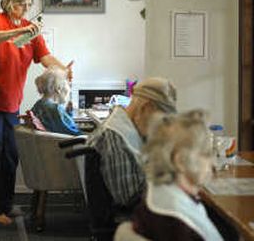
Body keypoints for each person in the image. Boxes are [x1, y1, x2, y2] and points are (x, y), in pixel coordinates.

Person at [0, 0, 72, 226]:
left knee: (11, 155)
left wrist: (63, 69)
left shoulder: (30, 29)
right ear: (9, 3)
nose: (25, 10)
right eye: (21, 5)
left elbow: (44, 57)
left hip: (11, 101)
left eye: (28, 5)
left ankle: (6, 204)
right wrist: (17, 32)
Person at [85, 77, 177, 240]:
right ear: (147, 108)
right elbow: (128, 197)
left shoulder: (128, 126)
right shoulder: (115, 136)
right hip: (128, 220)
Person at [127, 109, 224, 241]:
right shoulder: (177, 223)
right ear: (181, 161)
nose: (212, 162)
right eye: (206, 154)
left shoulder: (160, 197)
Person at [31, 67, 81, 136]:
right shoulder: (57, 109)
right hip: (63, 144)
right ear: (59, 89)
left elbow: (54, 125)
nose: (67, 96)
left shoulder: (37, 105)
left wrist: (68, 113)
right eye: (67, 92)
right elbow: (71, 130)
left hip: (46, 143)